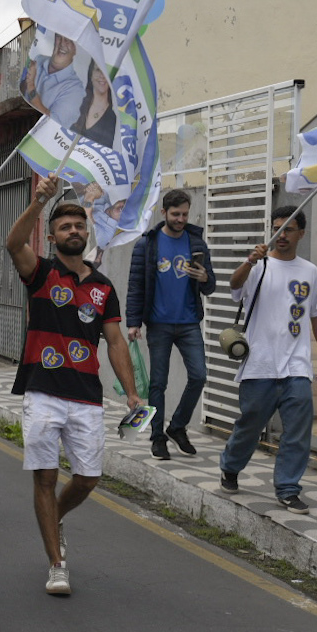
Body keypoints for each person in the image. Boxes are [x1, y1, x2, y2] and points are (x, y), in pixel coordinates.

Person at [5, 174, 141, 597]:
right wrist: (37, 203)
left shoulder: (102, 287)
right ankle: (56, 563)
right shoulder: (40, 273)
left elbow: (115, 341)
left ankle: (54, 518)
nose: (74, 231)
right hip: (43, 391)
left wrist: (132, 394)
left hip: (86, 396)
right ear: (51, 235)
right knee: (45, 477)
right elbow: (13, 244)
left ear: (87, 232)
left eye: (79, 225)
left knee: (87, 478)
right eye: (64, 227)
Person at [217, 205, 317, 513]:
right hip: (260, 364)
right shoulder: (259, 266)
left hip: (296, 365)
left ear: (301, 234)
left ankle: (288, 488)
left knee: (297, 431)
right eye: (276, 229)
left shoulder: (310, 271)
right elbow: (234, 285)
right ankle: (230, 465)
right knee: (250, 425)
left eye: (288, 230)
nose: (281, 235)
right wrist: (249, 261)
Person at [126, 189, 216, 460]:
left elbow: (210, 285)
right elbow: (135, 286)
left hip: (189, 322)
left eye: (185, 214)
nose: (180, 219)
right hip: (159, 324)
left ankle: (177, 427)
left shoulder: (197, 243)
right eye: (175, 214)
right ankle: (157, 437)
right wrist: (133, 322)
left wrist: (203, 278)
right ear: (163, 212)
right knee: (158, 384)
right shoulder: (147, 244)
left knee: (199, 375)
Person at [22, 33, 83, 130]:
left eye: (68, 40)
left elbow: (53, 125)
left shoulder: (75, 90)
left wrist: (30, 85)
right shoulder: (38, 59)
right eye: (59, 37)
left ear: (75, 48)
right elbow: (21, 90)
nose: (62, 43)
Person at [73, 62, 117, 148]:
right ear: (91, 74)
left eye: (106, 71)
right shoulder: (76, 105)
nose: (102, 75)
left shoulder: (113, 120)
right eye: (98, 70)